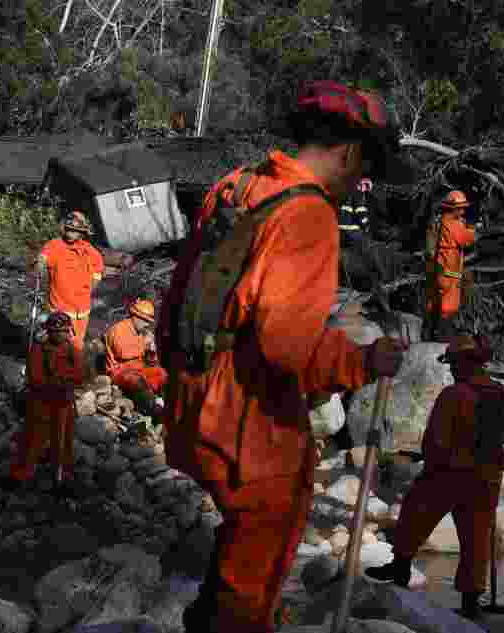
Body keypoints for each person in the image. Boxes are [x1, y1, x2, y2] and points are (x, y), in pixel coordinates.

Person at [157, 80, 408, 633]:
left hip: (194, 387)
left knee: (241, 533)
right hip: (247, 410)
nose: (360, 184)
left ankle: (215, 616)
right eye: (365, 167)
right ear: (348, 152)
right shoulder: (309, 213)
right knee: (266, 536)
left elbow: (179, 292)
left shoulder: (237, 185)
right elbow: (286, 343)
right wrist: (362, 364)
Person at [366, 334, 504, 620]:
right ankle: (471, 604)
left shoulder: (453, 395)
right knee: (476, 538)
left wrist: (430, 464)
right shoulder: (502, 393)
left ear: (466, 363)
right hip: (487, 475)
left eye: (455, 363)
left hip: (450, 471)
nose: (452, 369)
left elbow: (434, 440)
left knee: (415, 513)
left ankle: (400, 568)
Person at [9, 311, 84, 491]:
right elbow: (35, 378)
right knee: (33, 439)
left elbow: (80, 375)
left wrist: (63, 381)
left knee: (64, 442)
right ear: (49, 332)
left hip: (63, 403)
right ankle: (22, 474)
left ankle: (63, 475)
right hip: (42, 403)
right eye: (56, 331)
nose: (60, 335)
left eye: (64, 331)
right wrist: (57, 383)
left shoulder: (72, 350)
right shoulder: (39, 350)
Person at [33, 211, 104, 351]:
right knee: (57, 345)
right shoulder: (54, 246)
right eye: (69, 229)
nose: (71, 233)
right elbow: (43, 256)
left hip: (82, 310)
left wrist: (90, 288)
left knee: (77, 345)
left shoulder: (90, 251)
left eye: (75, 231)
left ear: (81, 233)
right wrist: (40, 262)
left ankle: (73, 368)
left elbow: (98, 271)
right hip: (60, 309)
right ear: (64, 228)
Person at [424, 190, 476, 341]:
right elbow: (466, 240)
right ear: (452, 208)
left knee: (433, 302)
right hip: (449, 270)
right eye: (460, 208)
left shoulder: (438, 221)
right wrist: (472, 228)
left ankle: (428, 334)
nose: (463, 210)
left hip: (436, 268)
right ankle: (443, 337)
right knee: (449, 304)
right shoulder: (453, 224)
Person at [104, 298, 168, 418]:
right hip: (120, 371)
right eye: (145, 320)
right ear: (135, 316)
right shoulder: (119, 329)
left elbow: (148, 360)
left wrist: (152, 353)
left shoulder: (141, 332)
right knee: (136, 381)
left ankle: (168, 405)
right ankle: (153, 411)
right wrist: (144, 345)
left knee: (162, 374)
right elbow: (122, 353)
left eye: (148, 321)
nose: (147, 324)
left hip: (139, 367)